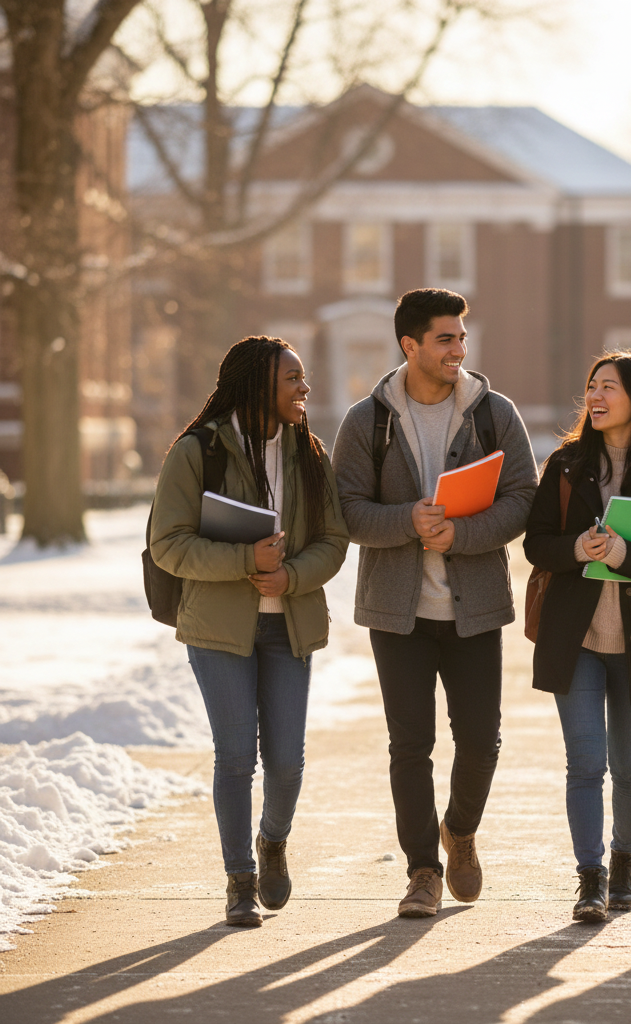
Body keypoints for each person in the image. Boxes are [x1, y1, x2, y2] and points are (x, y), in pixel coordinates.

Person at [332, 288, 537, 919]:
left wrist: (461, 533)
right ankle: (422, 869)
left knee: (481, 740)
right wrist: (406, 521)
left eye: (461, 338)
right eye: (445, 339)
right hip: (399, 612)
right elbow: (345, 510)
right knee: (410, 744)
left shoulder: (494, 413)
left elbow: (523, 496)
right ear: (410, 345)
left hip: (474, 606)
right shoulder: (367, 421)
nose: (458, 350)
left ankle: (461, 830)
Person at [150, 336, 349, 927]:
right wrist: (245, 563)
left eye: (303, 378)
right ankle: (239, 880)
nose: (303, 389)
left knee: (286, 761)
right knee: (237, 757)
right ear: (259, 386)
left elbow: (333, 542)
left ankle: (273, 841)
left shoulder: (310, 453)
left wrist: (289, 576)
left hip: (289, 624)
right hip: (219, 630)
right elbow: (168, 543)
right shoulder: (198, 451)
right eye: (293, 379)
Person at [523, 350, 631, 922]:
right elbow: (536, 543)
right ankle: (590, 878)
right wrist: (577, 550)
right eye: (591, 386)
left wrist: (625, 554)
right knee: (584, 763)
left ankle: (625, 860)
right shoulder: (567, 464)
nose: (595, 397)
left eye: (610, 388)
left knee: (630, 765)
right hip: (576, 640)